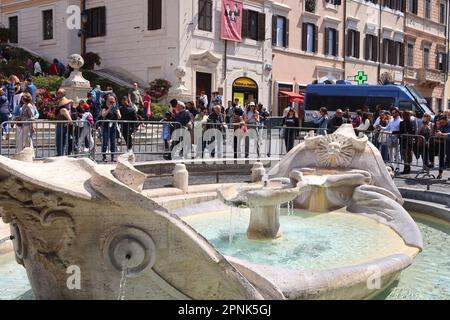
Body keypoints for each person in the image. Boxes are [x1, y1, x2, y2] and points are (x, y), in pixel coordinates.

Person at [101, 95, 122, 162]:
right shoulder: (104, 107)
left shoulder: (116, 107)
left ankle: (113, 156)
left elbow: (119, 117)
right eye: (110, 101)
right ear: (107, 101)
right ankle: (104, 156)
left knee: (113, 142)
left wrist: (117, 112)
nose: (112, 103)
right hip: (106, 126)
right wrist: (109, 109)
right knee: (105, 141)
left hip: (113, 126)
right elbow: (103, 115)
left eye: (113, 101)